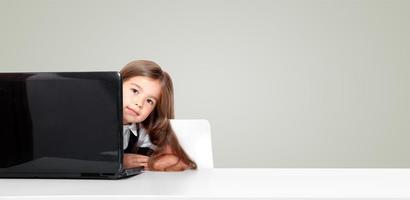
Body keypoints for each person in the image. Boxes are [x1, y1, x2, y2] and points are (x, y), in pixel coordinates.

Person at [121, 60, 196, 171]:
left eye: (149, 101)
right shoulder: (93, 122)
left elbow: (182, 163)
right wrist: (118, 162)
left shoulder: (142, 131)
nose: (139, 103)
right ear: (116, 84)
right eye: (135, 91)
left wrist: (152, 164)